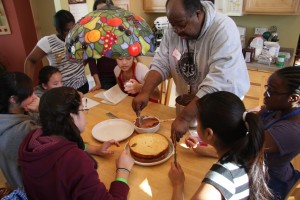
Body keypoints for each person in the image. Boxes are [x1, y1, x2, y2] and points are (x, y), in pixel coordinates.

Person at [132, 0, 250, 140]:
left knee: (215, 151)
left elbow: (218, 82)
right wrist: (145, 91)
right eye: (173, 25)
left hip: (222, 108)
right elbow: (162, 62)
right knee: (189, 150)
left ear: (198, 14)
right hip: (193, 106)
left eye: (181, 25)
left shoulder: (223, 29)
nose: (176, 30)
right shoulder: (175, 28)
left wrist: (185, 118)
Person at [18, 87, 134, 200]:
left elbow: (61, 146)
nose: (85, 113)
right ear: (71, 116)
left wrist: (95, 150)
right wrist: (123, 171)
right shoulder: (76, 162)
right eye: (83, 109)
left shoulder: (32, 139)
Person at [168, 91, 272, 200]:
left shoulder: (218, 182)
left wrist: (178, 184)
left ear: (208, 133)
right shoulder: (250, 151)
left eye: (198, 122)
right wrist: (200, 149)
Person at [255, 66, 300, 199]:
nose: (265, 94)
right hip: (258, 171)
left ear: (293, 98)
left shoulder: (291, 130)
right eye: (266, 88)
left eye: (271, 91)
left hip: (270, 187)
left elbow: (247, 148)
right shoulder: (280, 109)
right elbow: (255, 112)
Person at [24, 10, 89, 94]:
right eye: (67, 30)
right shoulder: (48, 42)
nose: (71, 34)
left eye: (73, 29)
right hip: (63, 90)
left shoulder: (79, 37)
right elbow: (30, 60)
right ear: (58, 29)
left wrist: (76, 68)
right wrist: (27, 86)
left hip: (83, 84)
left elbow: (87, 55)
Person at [0, 72, 40, 190]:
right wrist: (42, 109)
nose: (35, 97)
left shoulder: (5, 118)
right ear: (13, 99)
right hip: (32, 191)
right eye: (30, 94)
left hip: (15, 185)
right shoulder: (25, 130)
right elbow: (57, 141)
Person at [87, 0, 118, 91]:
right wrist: (97, 83)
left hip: (122, 73)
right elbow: (91, 59)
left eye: (106, 10)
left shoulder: (119, 27)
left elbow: (130, 48)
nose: (103, 14)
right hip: (104, 77)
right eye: (99, 11)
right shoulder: (92, 32)